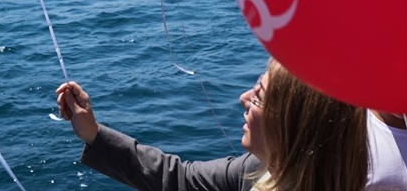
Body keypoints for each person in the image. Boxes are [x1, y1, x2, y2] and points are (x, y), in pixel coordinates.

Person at [56, 60, 368, 190]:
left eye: (258, 97)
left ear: (292, 124)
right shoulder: (258, 170)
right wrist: (93, 133)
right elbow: (179, 178)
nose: (243, 97)